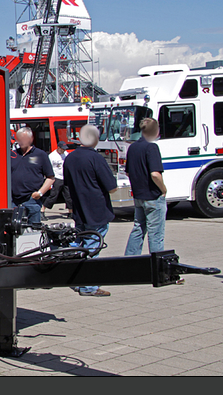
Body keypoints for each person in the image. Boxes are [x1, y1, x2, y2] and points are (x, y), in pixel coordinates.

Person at [64, 124, 118, 297]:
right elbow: (111, 187)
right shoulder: (96, 158)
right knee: (92, 247)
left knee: (82, 246)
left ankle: (80, 281)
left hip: (79, 210)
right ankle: (89, 286)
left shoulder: (70, 158)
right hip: (96, 209)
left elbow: (66, 185)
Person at [124, 118, 171, 254]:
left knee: (138, 228)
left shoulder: (133, 147)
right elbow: (155, 174)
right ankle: (157, 264)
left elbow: (128, 171)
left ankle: (130, 259)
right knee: (156, 233)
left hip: (139, 195)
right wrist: (163, 189)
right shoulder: (151, 147)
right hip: (153, 196)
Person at [10, 127, 55, 224]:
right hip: (13, 201)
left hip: (32, 200)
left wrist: (40, 193)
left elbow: (50, 178)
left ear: (31, 139)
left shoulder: (40, 155)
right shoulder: (12, 155)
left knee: (33, 230)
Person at [41, 141, 73, 220]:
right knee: (53, 195)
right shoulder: (52, 156)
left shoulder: (66, 154)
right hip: (57, 177)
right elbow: (48, 167)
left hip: (65, 177)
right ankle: (42, 210)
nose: (64, 150)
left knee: (68, 196)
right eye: (62, 149)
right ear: (58, 148)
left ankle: (71, 212)